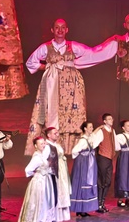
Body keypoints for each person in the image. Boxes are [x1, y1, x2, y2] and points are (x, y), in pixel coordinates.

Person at [25, 19, 115, 154]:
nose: (60, 30)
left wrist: (111, 45)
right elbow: (31, 62)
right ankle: (51, 146)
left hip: (72, 85)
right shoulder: (45, 47)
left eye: (63, 27)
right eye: (57, 27)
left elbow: (92, 53)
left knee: (71, 115)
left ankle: (70, 147)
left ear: (67, 30)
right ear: (52, 30)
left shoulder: (73, 46)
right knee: (52, 113)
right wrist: (48, 67)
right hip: (52, 84)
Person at [15, 136, 57, 222]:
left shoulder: (42, 155)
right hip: (39, 184)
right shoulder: (37, 157)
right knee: (38, 207)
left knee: (43, 207)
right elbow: (28, 169)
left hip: (44, 182)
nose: (43, 145)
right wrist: (36, 174)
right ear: (35, 146)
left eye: (44, 143)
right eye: (41, 143)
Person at [70, 121, 99, 217]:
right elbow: (74, 151)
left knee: (87, 183)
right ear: (85, 129)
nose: (92, 129)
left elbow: (95, 136)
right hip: (83, 164)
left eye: (92, 127)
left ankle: (83, 208)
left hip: (89, 163)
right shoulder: (83, 140)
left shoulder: (89, 139)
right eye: (90, 127)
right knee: (82, 183)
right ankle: (80, 208)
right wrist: (82, 159)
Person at [89, 113, 118, 214]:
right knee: (101, 182)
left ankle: (102, 202)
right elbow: (93, 143)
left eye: (112, 118)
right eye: (109, 119)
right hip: (102, 158)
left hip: (109, 159)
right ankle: (99, 204)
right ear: (104, 121)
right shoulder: (101, 131)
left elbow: (116, 145)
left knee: (108, 182)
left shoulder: (112, 131)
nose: (111, 120)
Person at [44, 127, 71, 222]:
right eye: (55, 133)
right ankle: (52, 218)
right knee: (55, 193)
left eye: (57, 133)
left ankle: (57, 218)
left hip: (61, 170)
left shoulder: (57, 145)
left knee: (61, 191)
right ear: (49, 135)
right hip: (54, 171)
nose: (57, 135)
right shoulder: (47, 146)